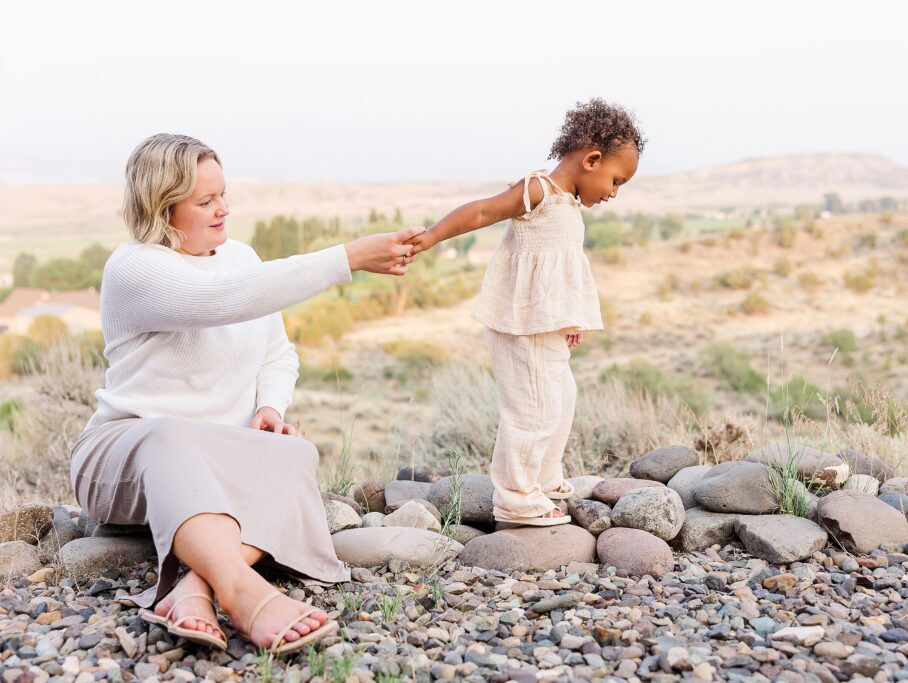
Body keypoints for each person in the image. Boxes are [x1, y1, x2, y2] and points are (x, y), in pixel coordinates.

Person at [70, 133, 425, 654]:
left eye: (224, 194)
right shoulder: (134, 267)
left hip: (221, 462)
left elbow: (277, 353)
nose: (224, 209)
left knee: (295, 452)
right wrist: (348, 257)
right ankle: (243, 594)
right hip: (127, 457)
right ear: (163, 209)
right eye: (206, 201)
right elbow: (221, 300)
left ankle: (194, 586)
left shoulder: (241, 256)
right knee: (171, 434)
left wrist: (267, 409)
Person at [406, 98, 644, 525]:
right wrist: (431, 237)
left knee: (561, 400)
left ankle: (544, 477)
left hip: (545, 326)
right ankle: (515, 497)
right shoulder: (539, 191)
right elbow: (481, 211)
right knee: (530, 410)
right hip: (519, 327)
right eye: (616, 180)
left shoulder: (568, 203)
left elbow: (560, 268)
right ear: (591, 160)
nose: (613, 192)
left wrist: (569, 316)